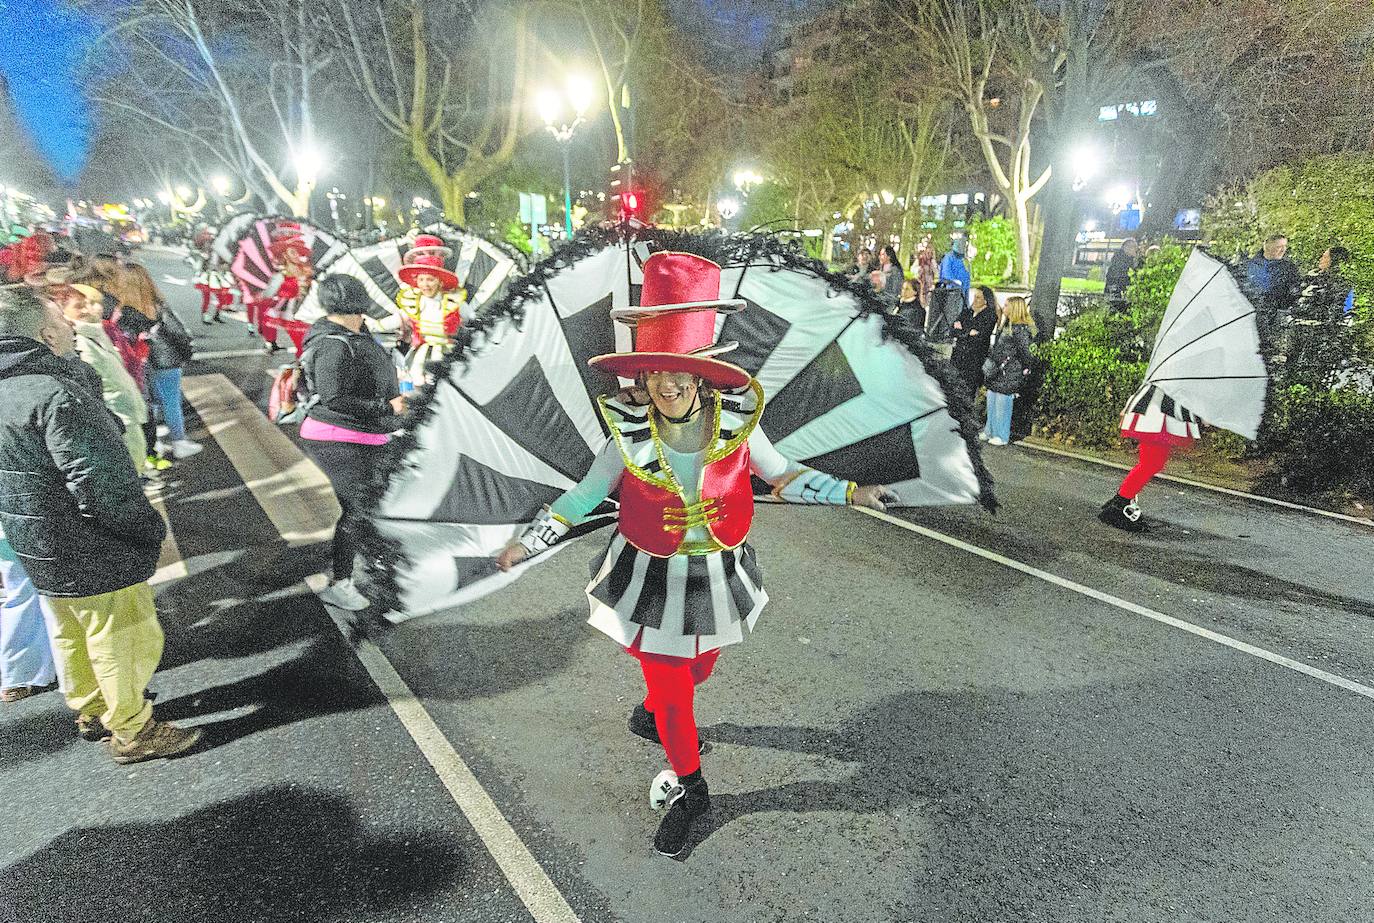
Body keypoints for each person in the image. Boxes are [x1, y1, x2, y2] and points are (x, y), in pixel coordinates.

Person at [494, 252, 897, 858]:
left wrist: (851, 493)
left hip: (713, 574)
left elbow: (782, 475)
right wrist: (532, 542)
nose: (670, 383)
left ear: (705, 372)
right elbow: (585, 495)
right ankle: (692, 789)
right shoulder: (626, 431)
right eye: (657, 372)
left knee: (698, 667)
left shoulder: (738, 424)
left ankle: (656, 710)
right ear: (641, 377)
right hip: (648, 577)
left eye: (682, 371)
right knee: (675, 683)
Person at [0, 286, 201, 761]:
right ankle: (134, 729)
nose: (72, 327)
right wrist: (144, 528)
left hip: (33, 539)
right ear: (46, 334)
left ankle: (92, 709)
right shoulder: (56, 393)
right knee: (122, 633)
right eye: (62, 321)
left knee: (70, 629)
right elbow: (99, 483)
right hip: (87, 541)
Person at [300, 275, 404, 612]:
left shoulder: (351, 334)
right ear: (359, 303)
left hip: (364, 434)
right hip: (339, 437)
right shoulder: (333, 343)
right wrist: (386, 407)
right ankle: (341, 584)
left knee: (372, 506)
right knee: (359, 508)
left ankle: (375, 568)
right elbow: (333, 398)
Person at [50, 280, 150, 469]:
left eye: (88, 303)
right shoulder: (79, 344)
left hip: (126, 413)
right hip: (117, 419)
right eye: (79, 306)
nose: (88, 309)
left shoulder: (95, 333)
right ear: (62, 315)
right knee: (129, 470)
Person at [122, 263, 202, 459]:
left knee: (151, 401)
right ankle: (179, 442)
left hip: (140, 362)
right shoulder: (155, 306)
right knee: (171, 401)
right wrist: (187, 352)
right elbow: (177, 332)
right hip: (166, 360)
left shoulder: (122, 310)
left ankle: (154, 441)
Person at [394, 234, 467, 387]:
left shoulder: (454, 301)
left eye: (430, 279)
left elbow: (472, 321)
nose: (425, 285)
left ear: (440, 281)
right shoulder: (413, 301)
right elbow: (396, 319)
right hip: (421, 356)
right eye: (421, 280)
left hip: (448, 355)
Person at [980, 296, 1036, 445]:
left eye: (1006, 305)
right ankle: (990, 430)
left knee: (1003, 402)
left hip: (1009, 371)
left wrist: (1025, 368)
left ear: (1014, 308)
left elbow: (1026, 353)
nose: (1003, 308)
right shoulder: (1006, 325)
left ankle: (1001, 435)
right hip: (998, 369)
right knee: (992, 397)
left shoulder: (1020, 329)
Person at [1245, 234, 1300, 334]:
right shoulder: (1250, 266)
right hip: (1251, 317)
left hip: (1276, 319)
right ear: (1267, 247)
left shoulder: (1289, 268)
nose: (1283, 250)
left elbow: (1295, 293)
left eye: (1285, 246)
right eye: (1279, 247)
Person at [950, 284, 998, 394]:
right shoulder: (967, 312)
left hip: (974, 359)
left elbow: (980, 337)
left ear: (986, 300)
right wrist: (968, 333)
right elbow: (952, 330)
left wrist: (962, 331)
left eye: (978, 297)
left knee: (968, 391)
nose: (974, 300)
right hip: (958, 356)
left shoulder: (990, 316)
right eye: (974, 296)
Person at [1104, 237, 1140, 303]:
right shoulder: (1120, 258)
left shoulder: (1130, 259)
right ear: (1126, 247)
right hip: (1116, 286)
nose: (1135, 250)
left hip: (1118, 287)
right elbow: (1123, 274)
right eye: (1133, 247)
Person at [938, 237, 971, 305]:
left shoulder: (964, 259)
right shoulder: (948, 257)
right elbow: (946, 274)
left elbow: (967, 276)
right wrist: (955, 282)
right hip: (951, 291)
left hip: (963, 291)